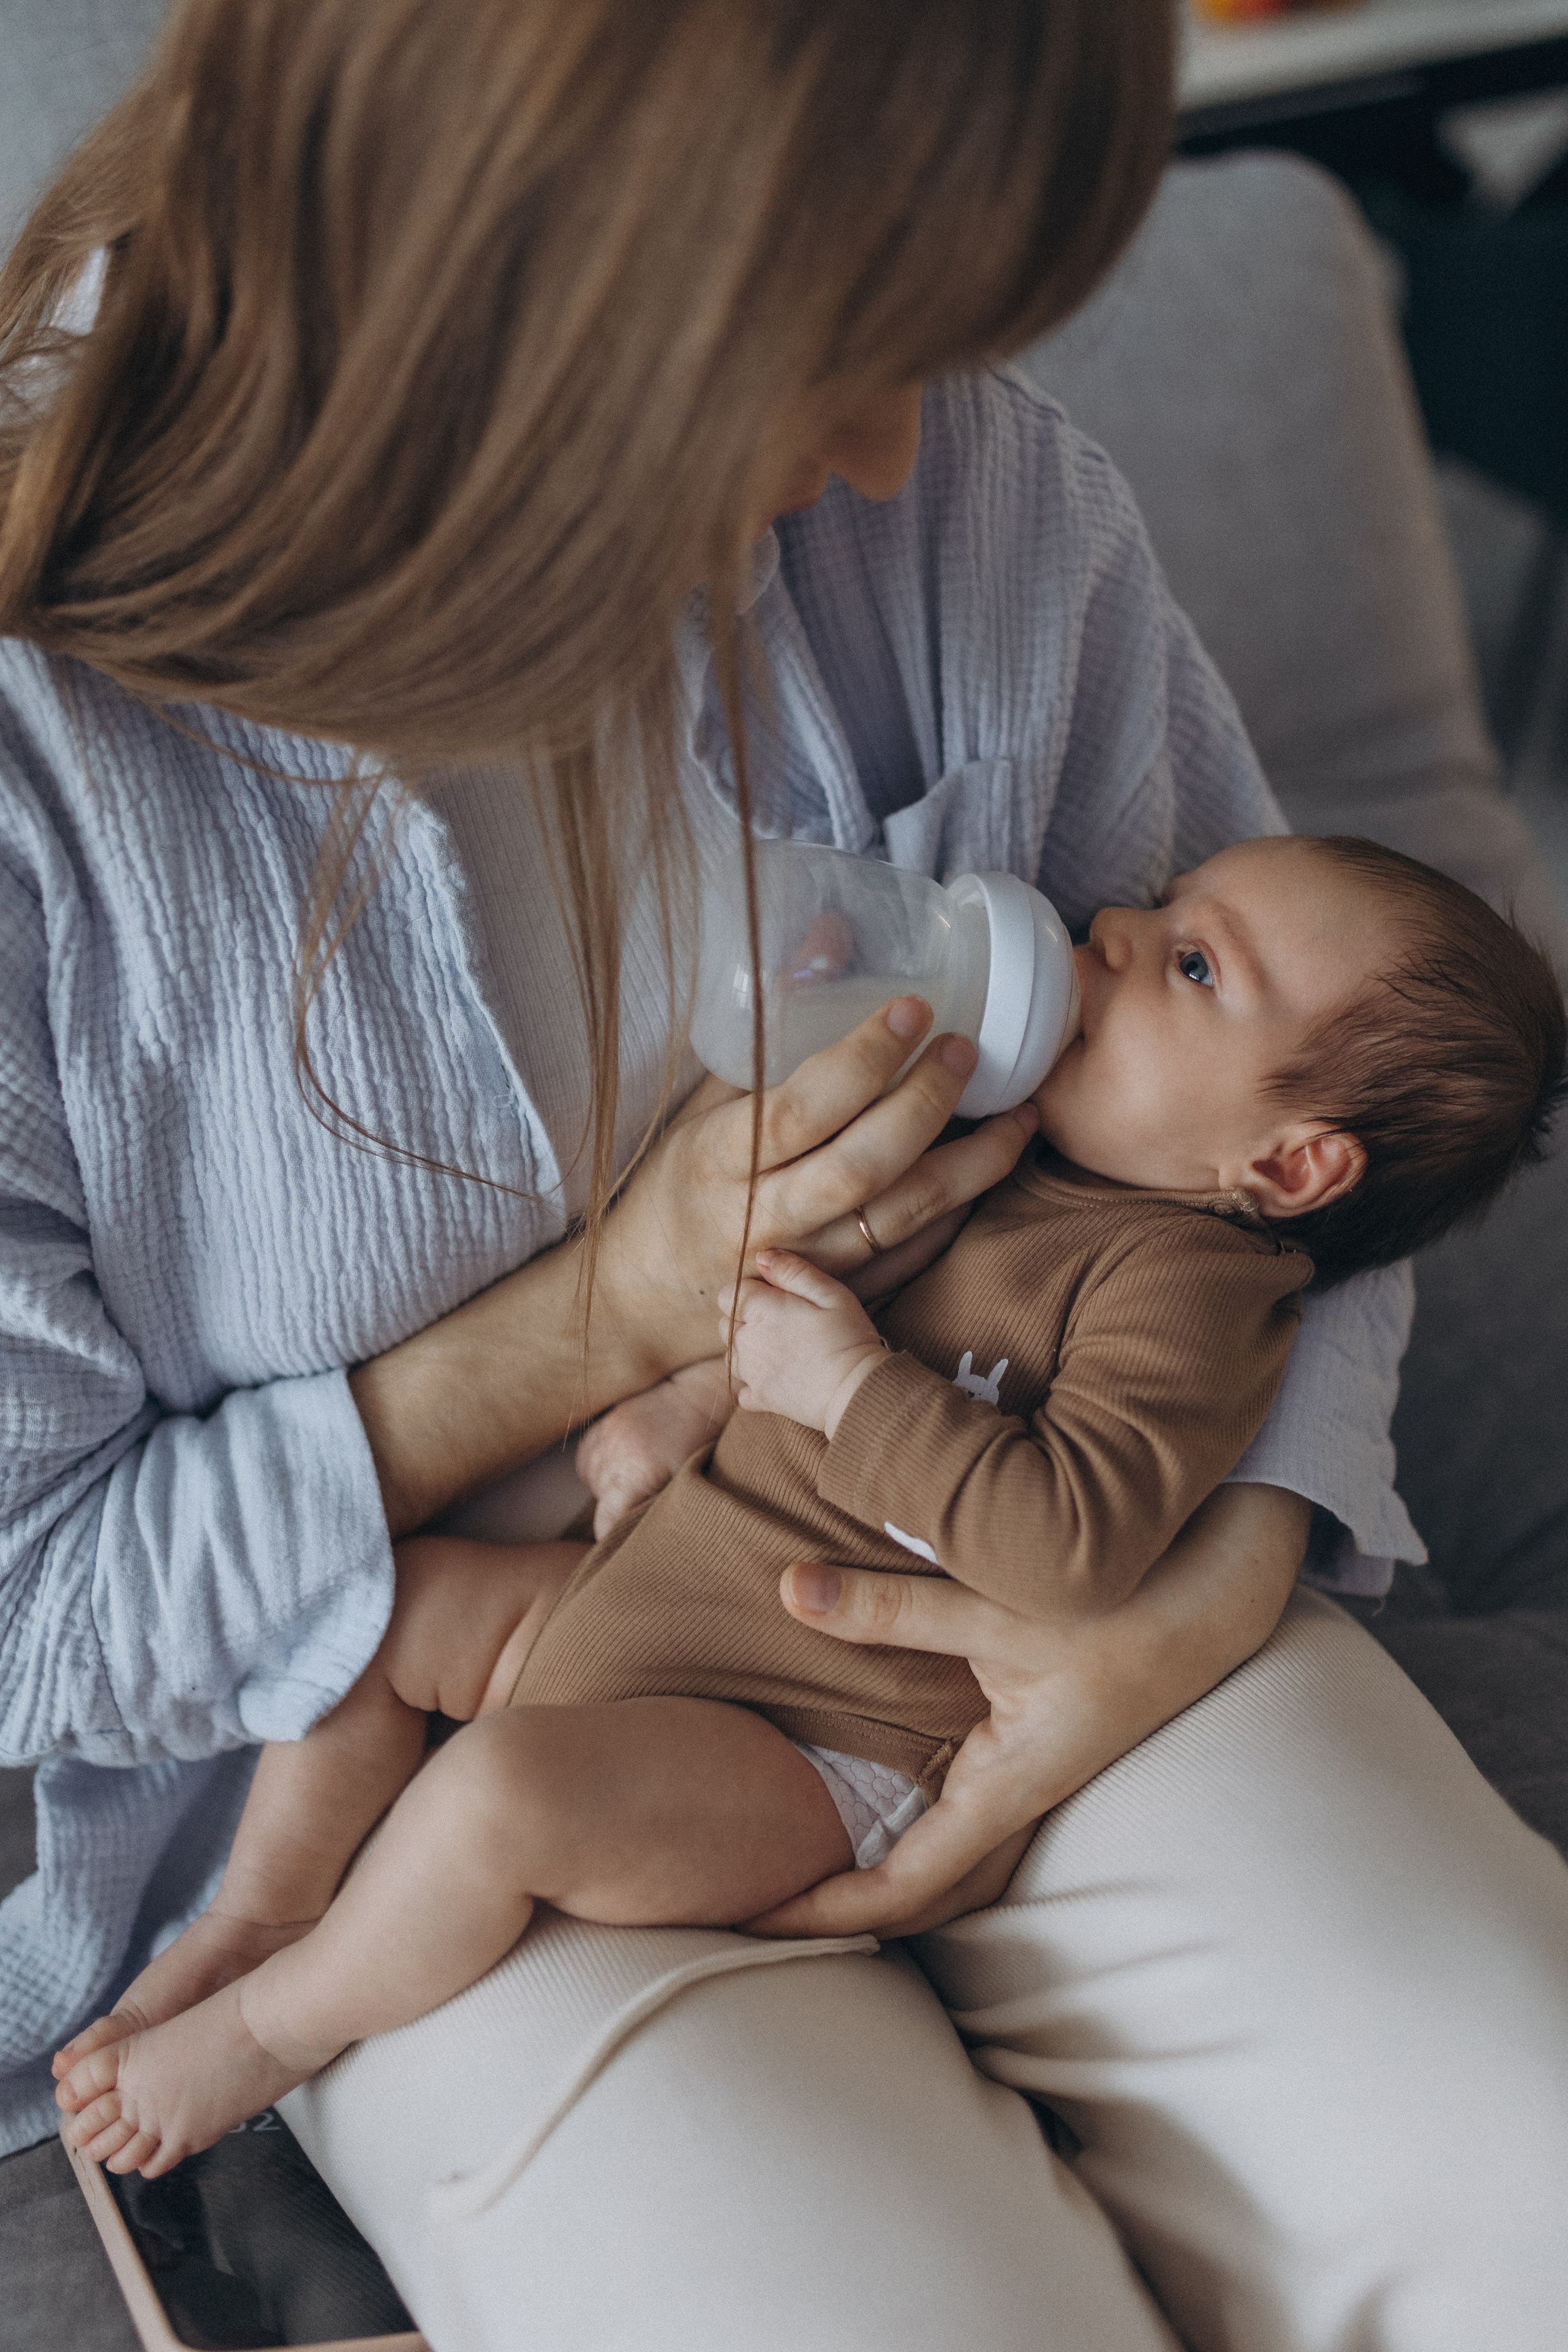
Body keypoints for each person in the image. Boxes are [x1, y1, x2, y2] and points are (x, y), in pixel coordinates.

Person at [3, 6, 1567, 2347]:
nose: (891, 449)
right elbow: (38, 1604)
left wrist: (1185, 1602)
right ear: (537, 282)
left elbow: (1301, 1171)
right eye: (840, 344)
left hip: (1026, 1605)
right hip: (440, 1757)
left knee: (1522, 2166)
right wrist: (609, 1320)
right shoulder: (43, 763)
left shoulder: (963, 491)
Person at [51, 831, 1567, 2179]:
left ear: (1286, 1167)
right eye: (1163, 901)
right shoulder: (1025, 1151)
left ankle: (275, 2027)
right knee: (380, 1614)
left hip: (805, 1734)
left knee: (496, 1803)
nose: (1111, 927)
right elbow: (805, 1303)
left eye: (1189, 963)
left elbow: (1066, 1546)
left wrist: (844, 1388)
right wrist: (686, 1403)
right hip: (655, 1598)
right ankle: (260, 1909)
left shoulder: (1191, 1291)